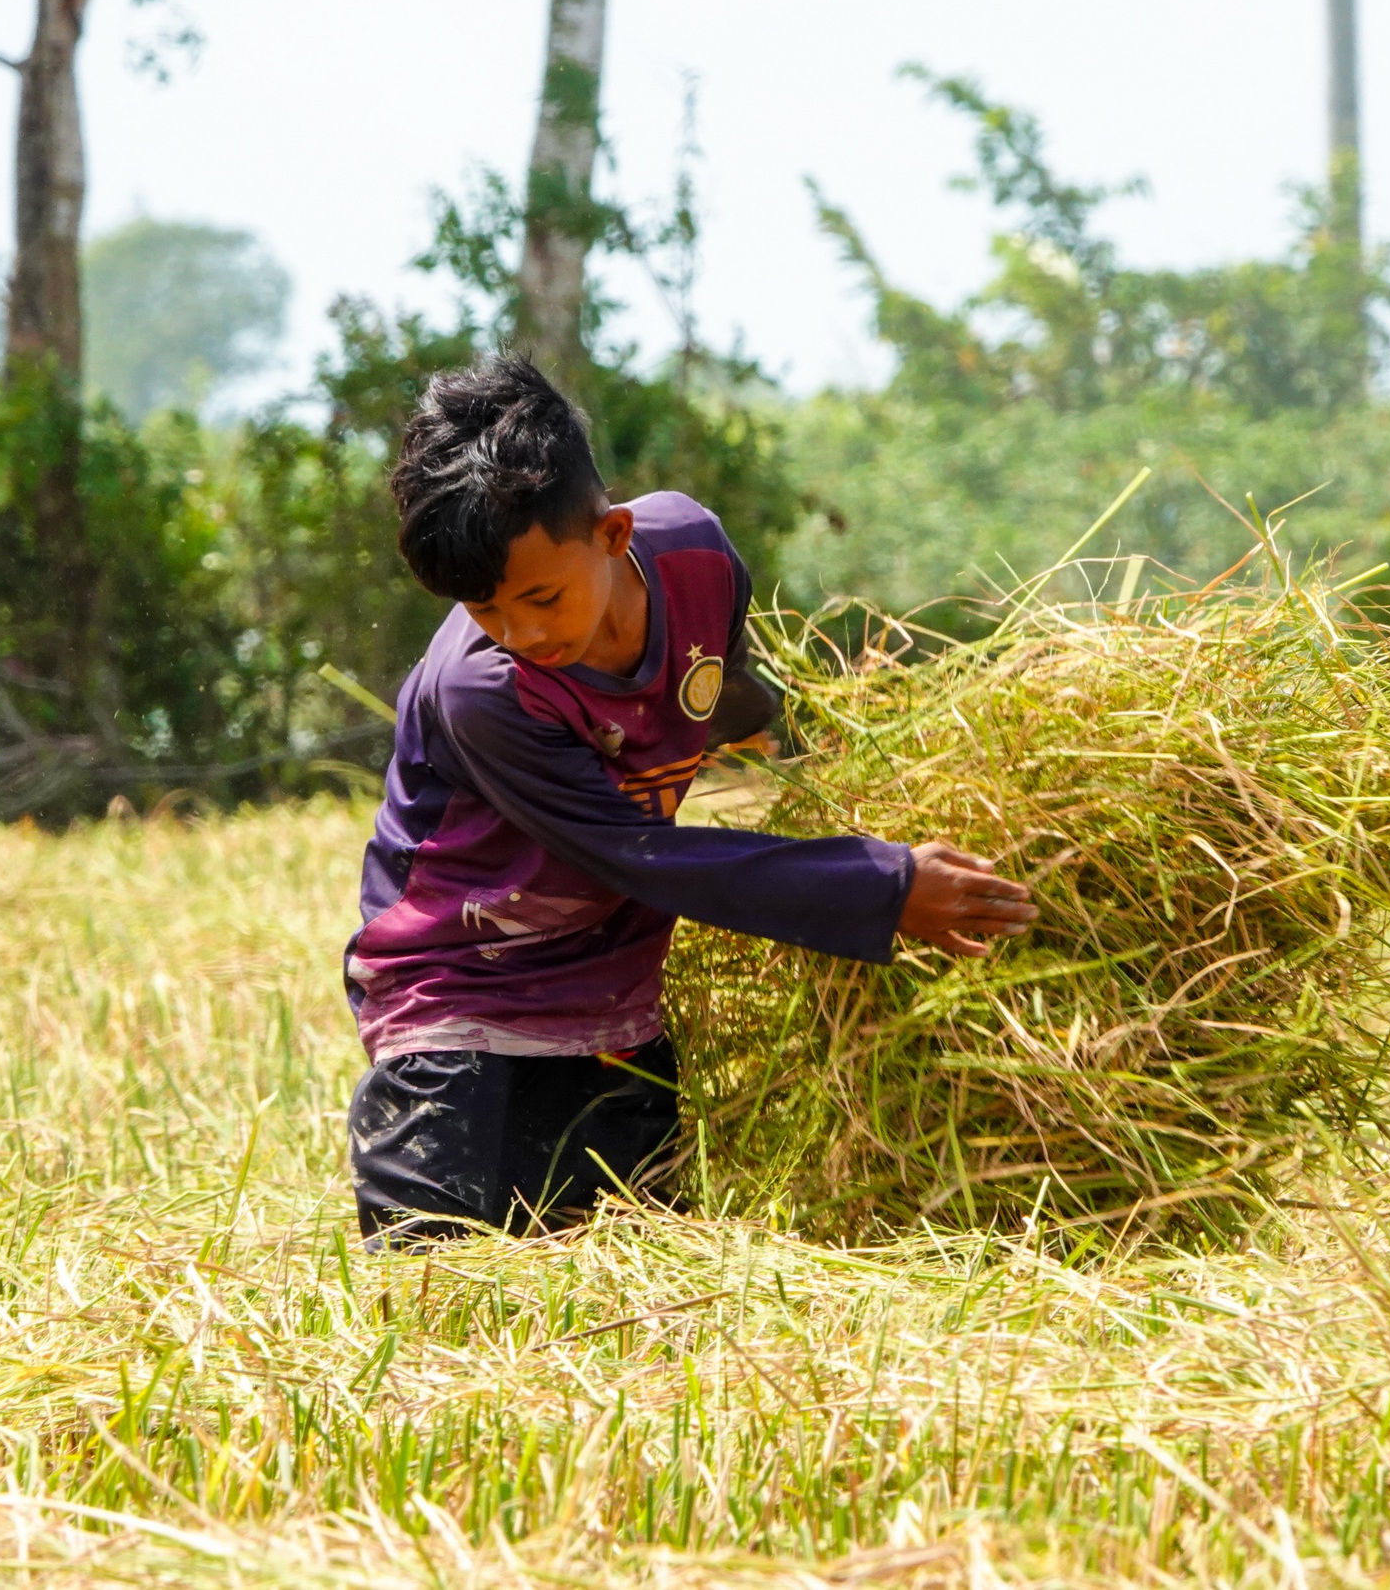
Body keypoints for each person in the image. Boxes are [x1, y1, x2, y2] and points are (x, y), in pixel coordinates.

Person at [344, 356, 1037, 1244]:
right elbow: (645, 857)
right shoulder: (486, 690)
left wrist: (811, 731)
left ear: (614, 534)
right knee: (441, 1290)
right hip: (456, 999)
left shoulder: (699, 557)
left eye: (542, 599)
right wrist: (885, 885)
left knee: (640, 1283)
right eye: (485, 610)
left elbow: (718, 684)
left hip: (612, 991)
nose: (523, 634)